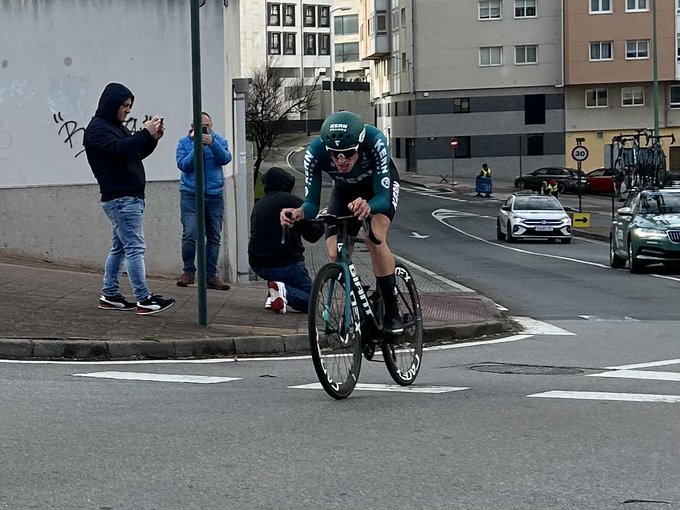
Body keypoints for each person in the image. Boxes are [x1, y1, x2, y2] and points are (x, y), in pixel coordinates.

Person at [279, 111, 404, 335]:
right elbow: (311, 204)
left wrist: (369, 206)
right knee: (336, 252)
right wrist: (298, 212)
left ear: (359, 143)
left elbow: (384, 198)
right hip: (345, 190)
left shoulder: (374, 141)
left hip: (377, 190)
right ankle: (357, 298)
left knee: (374, 237)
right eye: (335, 155)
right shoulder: (314, 153)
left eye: (348, 153)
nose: (341, 160)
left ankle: (392, 312)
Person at [83, 82, 175, 315]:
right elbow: (120, 149)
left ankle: (110, 294)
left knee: (120, 248)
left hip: (127, 196)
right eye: (124, 106)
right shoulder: (97, 130)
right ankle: (143, 298)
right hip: (121, 198)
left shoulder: (115, 126)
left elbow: (135, 152)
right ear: (112, 104)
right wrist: (144, 132)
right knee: (134, 247)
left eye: (129, 107)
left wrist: (152, 139)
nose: (127, 111)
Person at [248, 167, 324, 314]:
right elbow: (313, 235)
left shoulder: (258, 204)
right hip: (286, 264)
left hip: (258, 263)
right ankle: (283, 292)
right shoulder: (291, 202)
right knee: (313, 300)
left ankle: (275, 294)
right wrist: (322, 220)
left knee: (280, 280)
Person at [175, 112, 232, 290]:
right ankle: (189, 271)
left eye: (207, 126)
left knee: (214, 236)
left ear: (211, 125)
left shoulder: (219, 141)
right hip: (191, 194)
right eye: (200, 127)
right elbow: (184, 165)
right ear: (193, 127)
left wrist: (212, 144)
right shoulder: (184, 143)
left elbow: (225, 159)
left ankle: (210, 275)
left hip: (214, 195)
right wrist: (197, 147)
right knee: (190, 234)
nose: (205, 129)